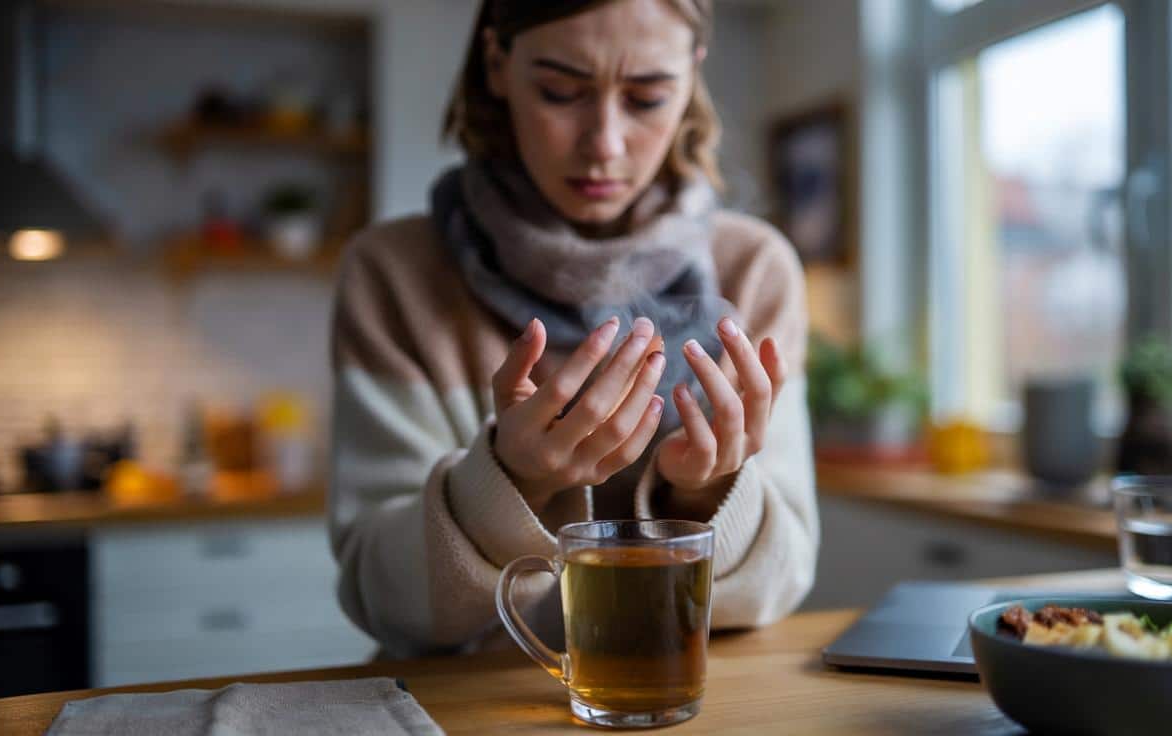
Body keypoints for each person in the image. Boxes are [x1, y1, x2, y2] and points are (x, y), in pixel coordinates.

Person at [328, 0, 818, 658]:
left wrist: (702, 494)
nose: (605, 144)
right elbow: (382, 597)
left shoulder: (754, 270)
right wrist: (510, 479)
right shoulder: (394, 274)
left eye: (647, 97)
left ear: (692, 74)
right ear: (498, 65)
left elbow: (781, 584)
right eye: (560, 91)